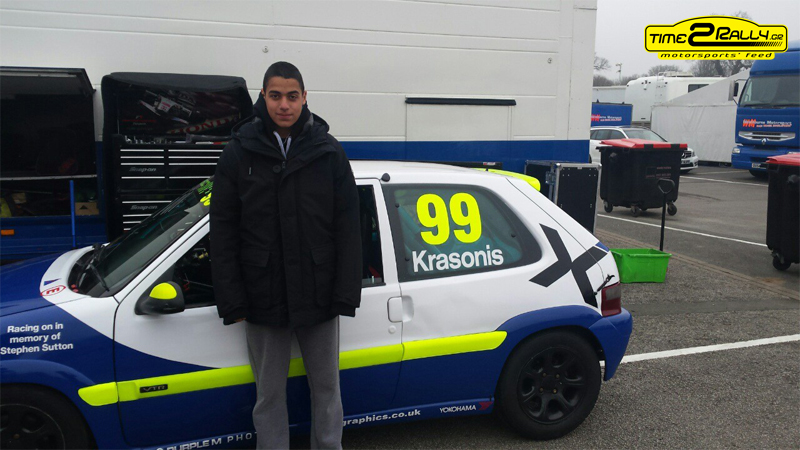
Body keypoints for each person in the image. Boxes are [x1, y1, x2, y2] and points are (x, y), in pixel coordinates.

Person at [210, 61, 362, 450]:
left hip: (319, 293)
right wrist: (233, 300)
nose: (284, 105)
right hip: (262, 296)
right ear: (263, 96)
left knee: (327, 389)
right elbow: (223, 233)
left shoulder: (328, 152)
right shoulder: (238, 153)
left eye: (292, 96)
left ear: (304, 98)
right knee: (269, 395)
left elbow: (348, 227)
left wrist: (345, 293)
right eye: (275, 96)